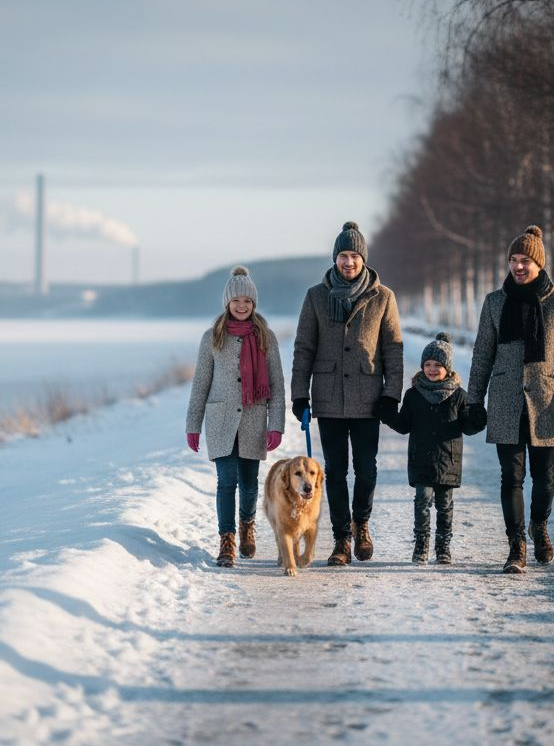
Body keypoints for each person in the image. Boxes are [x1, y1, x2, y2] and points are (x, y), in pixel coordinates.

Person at [466, 225, 554, 574]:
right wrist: (474, 401)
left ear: (539, 263)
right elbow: (481, 355)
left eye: (525, 261)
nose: (518, 267)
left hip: (545, 399)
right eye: (513, 260)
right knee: (511, 476)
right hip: (505, 399)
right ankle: (516, 544)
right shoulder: (494, 302)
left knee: (545, 476)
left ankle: (540, 527)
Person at [291, 221, 404, 566]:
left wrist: (391, 394)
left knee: (366, 470)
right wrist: (300, 394)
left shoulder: (383, 297)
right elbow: (304, 348)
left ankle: (362, 524)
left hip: (368, 397)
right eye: (343, 255)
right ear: (335, 258)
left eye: (354, 255)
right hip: (328, 397)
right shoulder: (316, 296)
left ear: (363, 258)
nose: (348, 262)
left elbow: (393, 350)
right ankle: (342, 539)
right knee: (334, 472)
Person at [186, 266, 286, 567]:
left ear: (253, 304)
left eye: (247, 301)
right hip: (220, 421)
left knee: (250, 483)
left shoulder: (265, 337)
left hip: (254, 420)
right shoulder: (211, 337)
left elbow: (278, 384)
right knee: (226, 481)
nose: (241, 306)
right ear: (227, 303)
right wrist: (193, 425)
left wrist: (276, 424)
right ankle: (227, 541)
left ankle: (247, 527)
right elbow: (200, 383)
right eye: (236, 301)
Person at [377, 332, 482, 564]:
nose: (432, 369)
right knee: (422, 501)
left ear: (448, 368)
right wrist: (388, 416)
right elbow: (404, 425)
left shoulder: (459, 396)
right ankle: (421, 544)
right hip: (421, 459)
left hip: (448, 460)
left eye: (438, 365)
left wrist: (477, 420)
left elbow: (467, 426)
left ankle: (443, 546)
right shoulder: (413, 395)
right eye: (428, 364)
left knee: (445, 505)